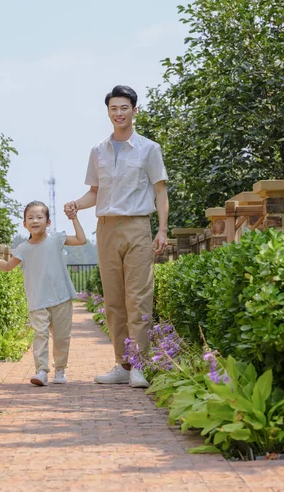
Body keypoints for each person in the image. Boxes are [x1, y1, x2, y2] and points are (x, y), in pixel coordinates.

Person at [64, 85, 169, 388]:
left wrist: (162, 230)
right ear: (108, 112)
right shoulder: (98, 151)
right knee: (113, 301)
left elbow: (160, 192)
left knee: (138, 298)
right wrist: (76, 205)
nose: (119, 113)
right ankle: (121, 365)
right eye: (114, 108)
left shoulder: (150, 149)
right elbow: (95, 194)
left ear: (135, 110)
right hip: (106, 228)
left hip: (137, 226)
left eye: (124, 108)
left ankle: (139, 365)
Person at [0, 201, 86, 386]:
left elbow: (81, 239)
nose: (35, 220)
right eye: (30, 217)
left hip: (61, 297)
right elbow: (8, 267)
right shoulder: (23, 248)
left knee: (62, 337)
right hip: (37, 300)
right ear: (24, 224)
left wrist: (74, 218)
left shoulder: (55, 239)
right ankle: (41, 371)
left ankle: (60, 370)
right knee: (40, 335)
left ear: (48, 222)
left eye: (40, 217)